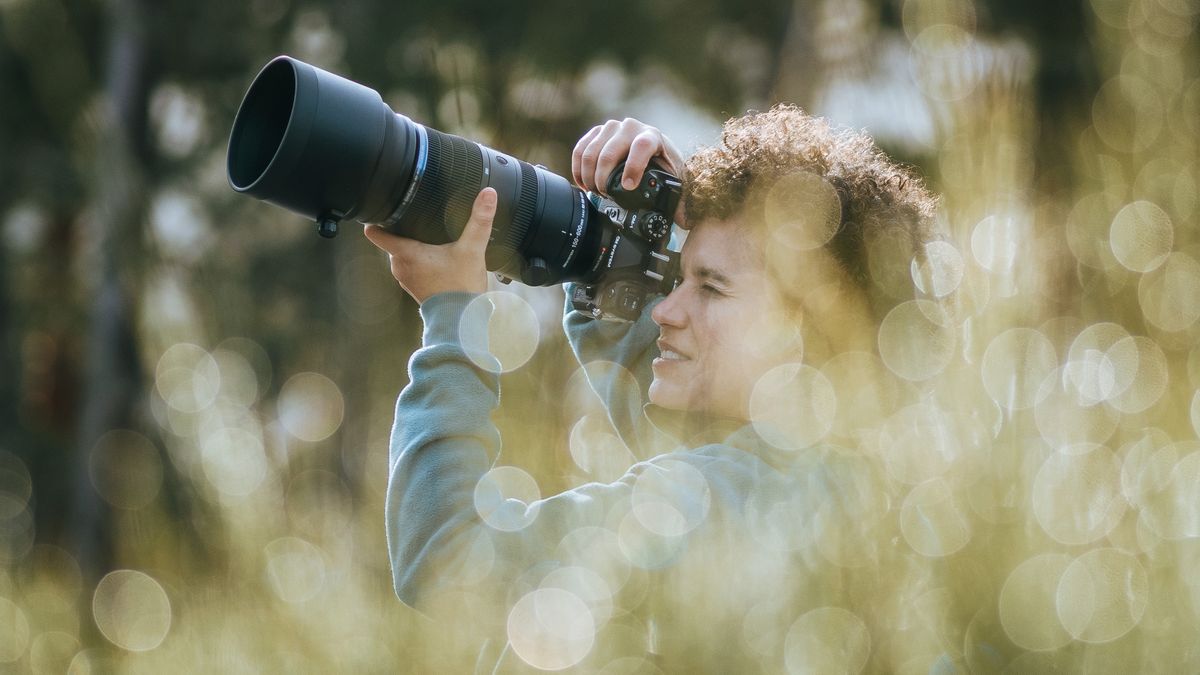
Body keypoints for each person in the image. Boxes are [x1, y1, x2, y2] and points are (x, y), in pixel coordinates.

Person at [364, 106, 939, 672]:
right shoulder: (825, 477)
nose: (665, 309)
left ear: (816, 325)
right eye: (677, 276)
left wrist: (453, 321)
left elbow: (446, 562)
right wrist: (635, 226)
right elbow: (658, 405)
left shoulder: (727, 499)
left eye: (711, 288)